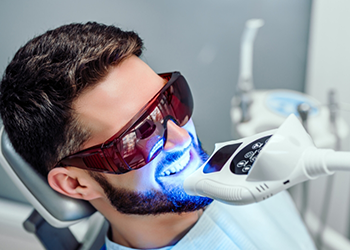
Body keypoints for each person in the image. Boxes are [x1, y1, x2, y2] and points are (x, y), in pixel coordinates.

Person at [0, 22, 316, 249]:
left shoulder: (251, 172)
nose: (182, 138)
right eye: (138, 136)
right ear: (76, 183)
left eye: (170, 102)